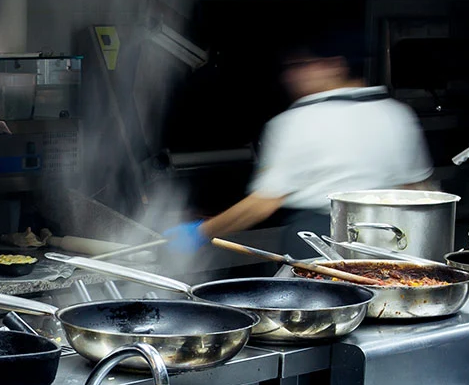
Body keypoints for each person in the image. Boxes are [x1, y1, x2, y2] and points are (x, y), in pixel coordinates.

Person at [165, 38, 434, 257]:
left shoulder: (296, 121)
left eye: (302, 66)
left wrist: (199, 233)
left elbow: (262, 204)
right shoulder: (397, 113)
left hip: (317, 242)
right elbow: (421, 192)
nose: (292, 76)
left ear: (334, 65)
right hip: (387, 244)